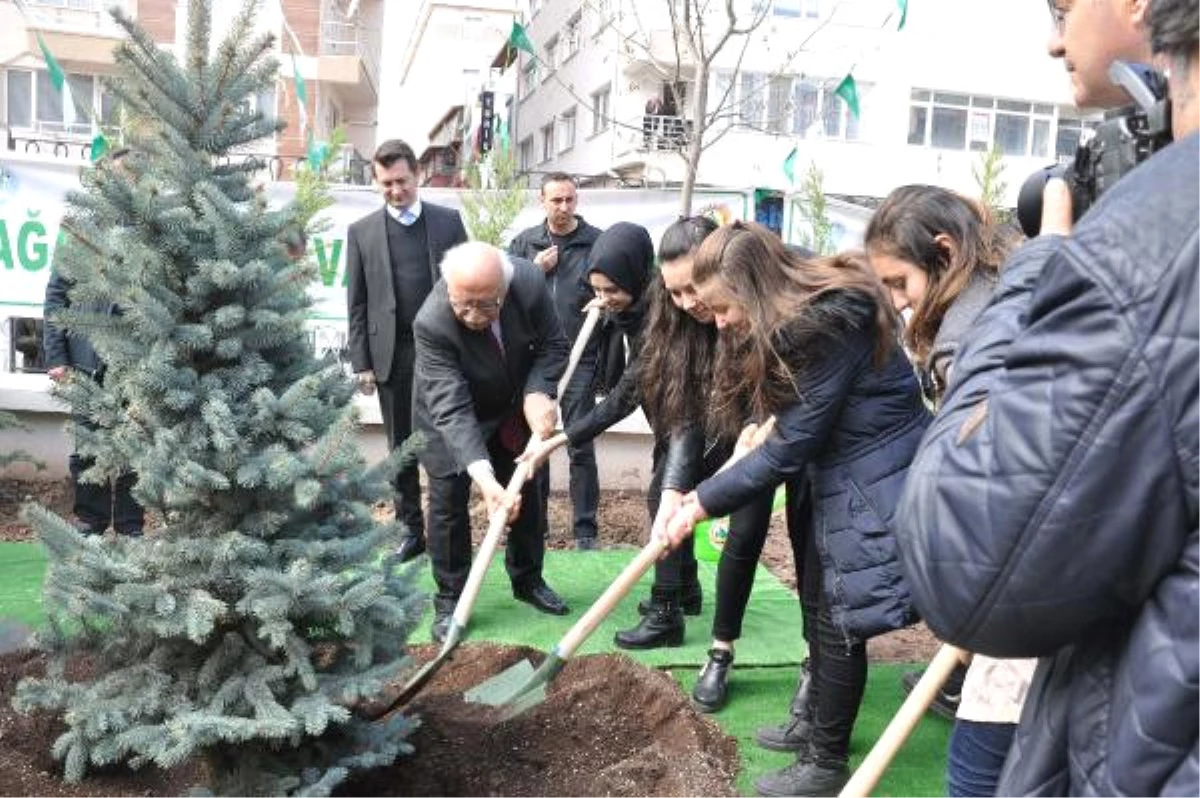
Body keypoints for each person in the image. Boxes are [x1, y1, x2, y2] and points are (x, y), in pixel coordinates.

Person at [896, 1, 1200, 794]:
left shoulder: (1161, 239)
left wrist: (1044, 274)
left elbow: (967, 562)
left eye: (1064, 7)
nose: (1055, 38)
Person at [662, 223, 929, 798]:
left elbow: (789, 451)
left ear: (754, 291)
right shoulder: (795, 302)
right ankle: (815, 726)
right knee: (815, 597)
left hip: (868, 472)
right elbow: (790, 414)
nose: (719, 321)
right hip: (834, 464)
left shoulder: (824, 326)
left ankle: (826, 761)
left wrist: (701, 502)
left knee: (840, 615)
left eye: (723, 308)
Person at [864, 184, 1033, 798]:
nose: (898, 304)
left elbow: (996, 468)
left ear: (944, 251)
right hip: (1037, 568)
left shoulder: (968, 341)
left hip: (1022, 573)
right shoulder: (1010, 285)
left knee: (976, 771)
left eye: (900, 282)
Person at [412, 241, 571, 643]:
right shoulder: (431, 322)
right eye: (463, 304)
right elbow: (451, 407)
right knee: (448, 506)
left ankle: (528, 580)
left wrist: (537, 392)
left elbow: (555, 346)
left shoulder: (531, 282)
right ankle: (450, 598)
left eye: (487, 305)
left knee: (527, 495)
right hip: (450, 418)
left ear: (506, 287)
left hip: (514, 407)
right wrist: (485, 481)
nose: (473, 316)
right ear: (448, 288)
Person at [346, 139, 468, 564]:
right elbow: (357, 303)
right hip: (391, 358)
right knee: (401, 449)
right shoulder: (361, 232)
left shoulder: (448, 223)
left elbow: (467, 286)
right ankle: (410, 532)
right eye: (385, 184)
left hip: (442, 354)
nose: (395, 191)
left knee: (445, 444)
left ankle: (445, 531)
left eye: (401, 181)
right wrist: (361, 361)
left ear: (416, 174)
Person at [42, 147, 144, 537]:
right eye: (119, 175)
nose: (126, 181)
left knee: (136, 441)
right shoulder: (79, 230)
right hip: (85, 362)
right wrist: (57, 357)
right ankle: (91, 519)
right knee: (87, 443)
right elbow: (56, 296)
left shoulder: (151, 232)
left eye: (133, 176)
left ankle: (131, 525)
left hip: (135, 363)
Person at [507, 173, 604, 550]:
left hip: (580, 358)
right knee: (538, 441)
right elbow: (504, 292)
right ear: (541, 201)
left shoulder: (595, 242)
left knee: (580, 442)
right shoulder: (525, 243)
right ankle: (538, 525)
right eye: (556, 201)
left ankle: (585, 530)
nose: (563, 208)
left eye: (569, 200)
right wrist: (534, 269)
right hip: (537, 362)